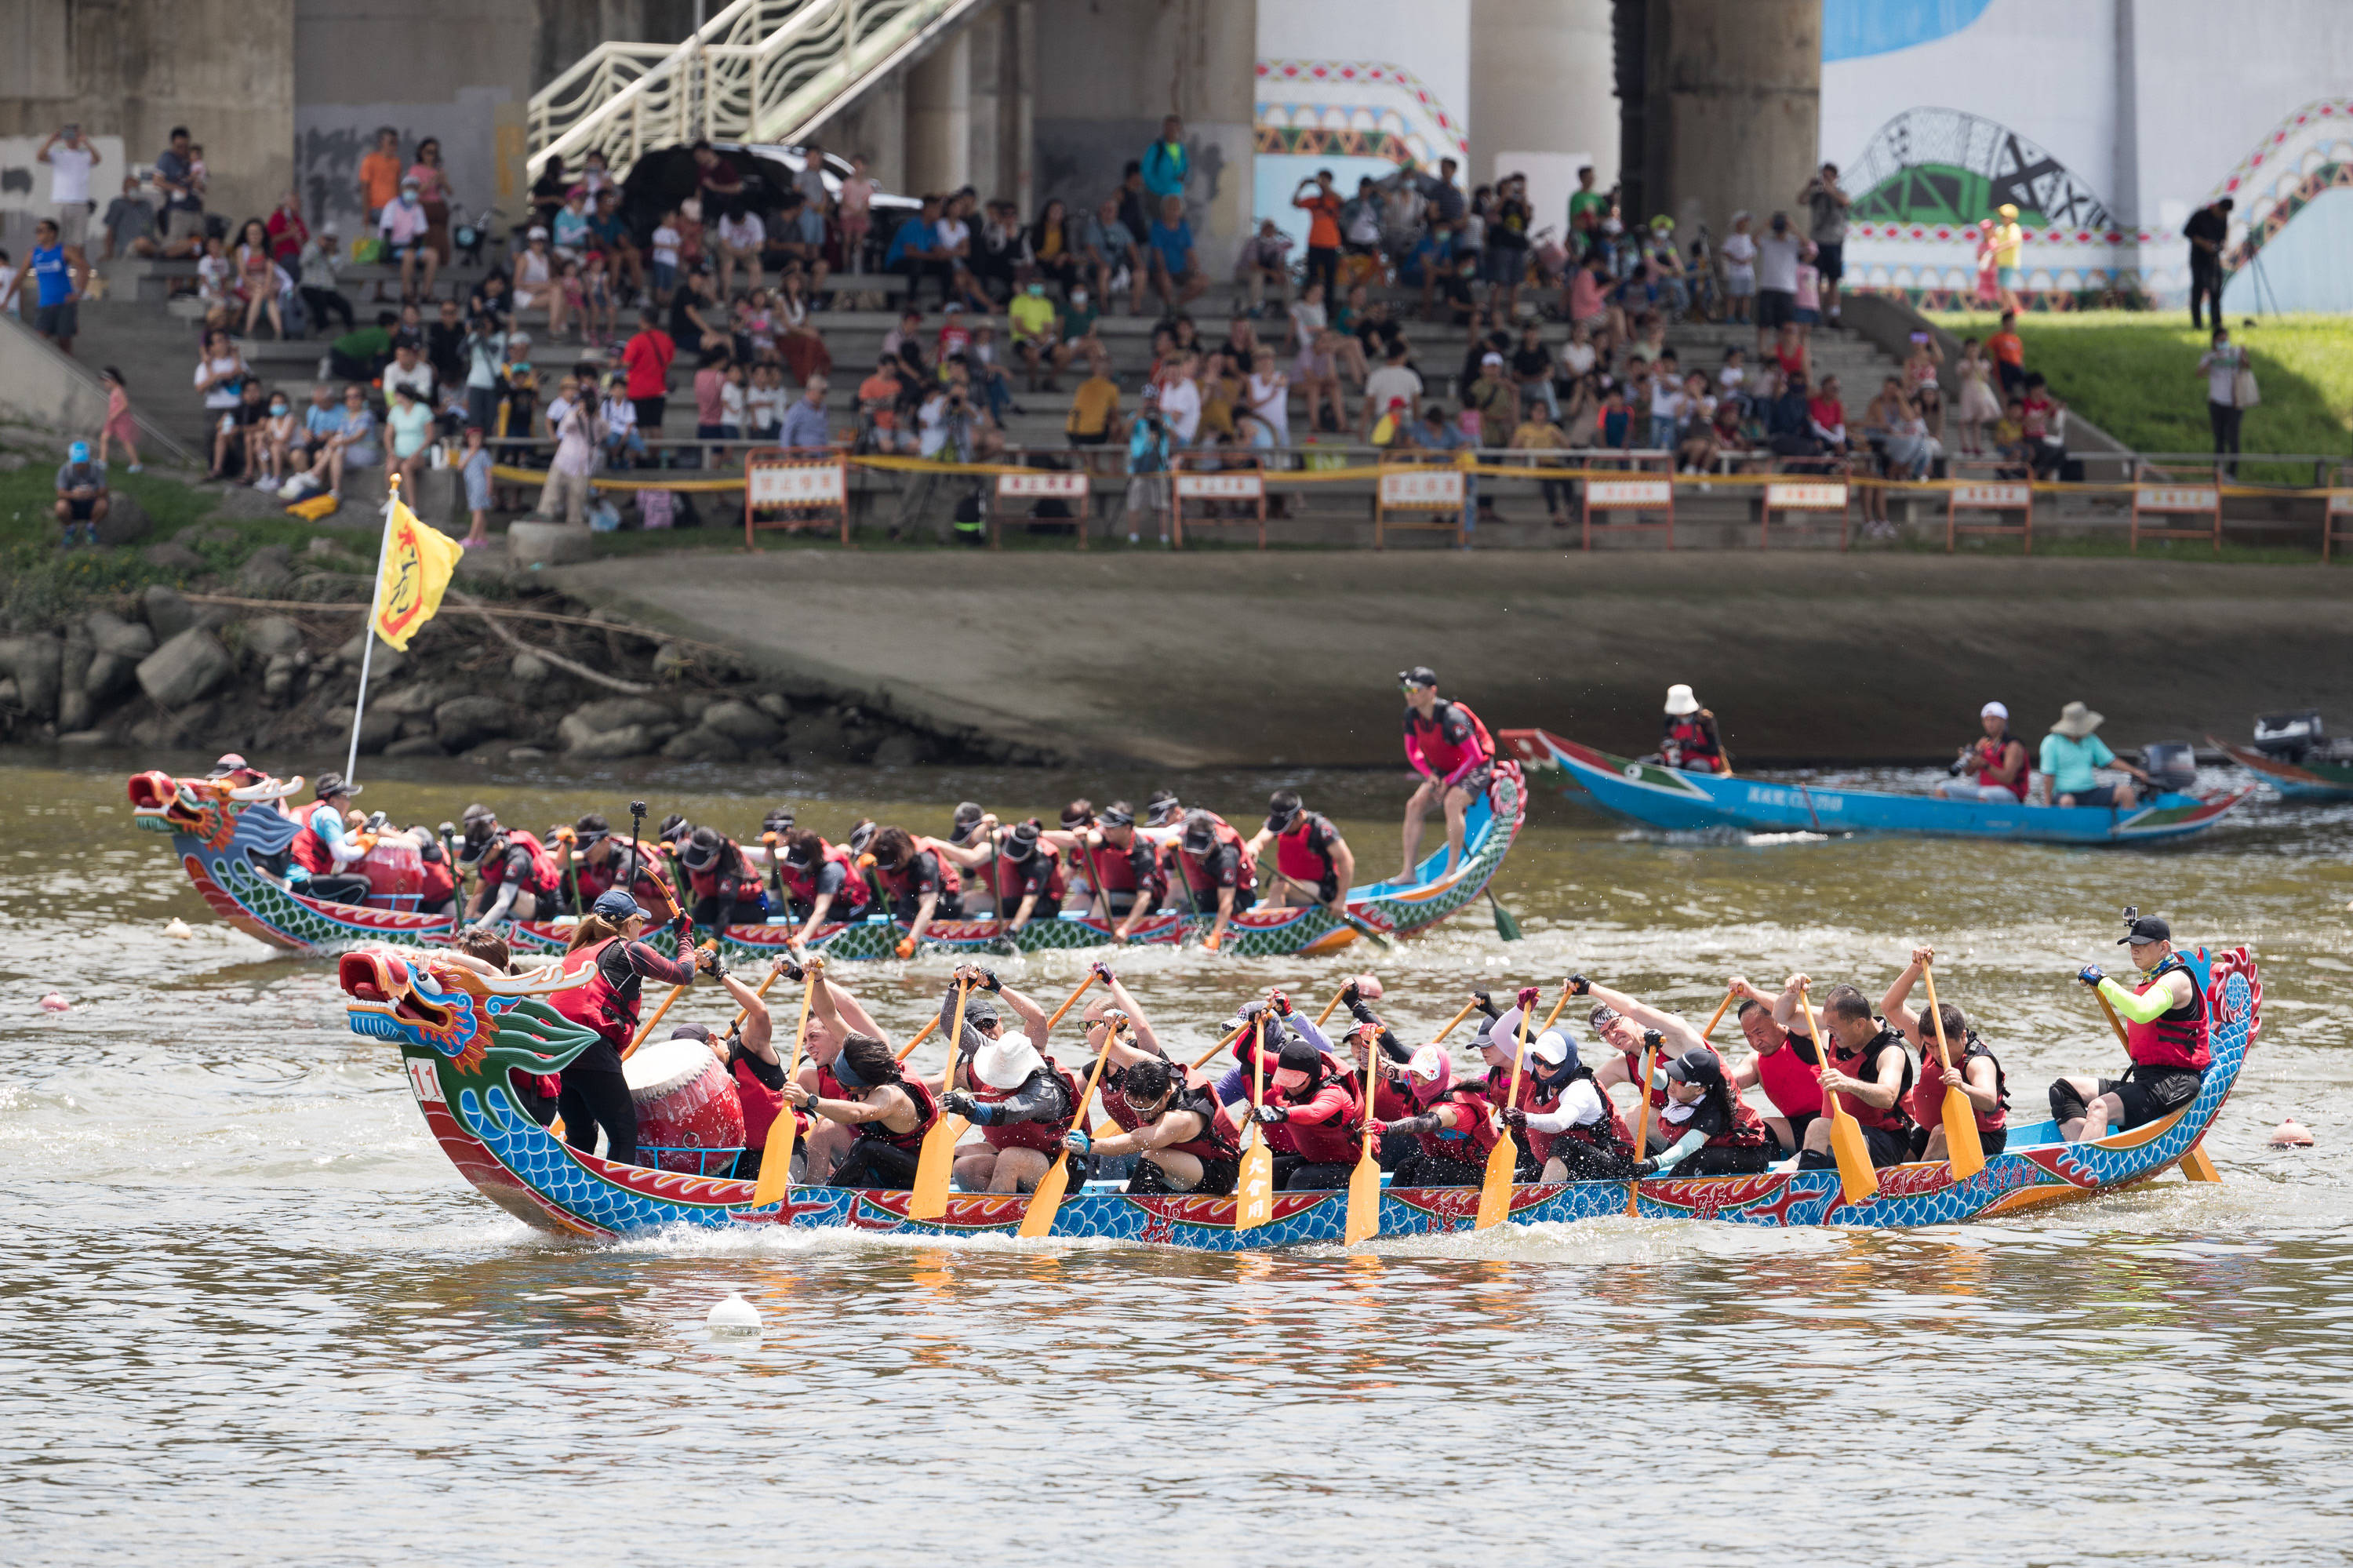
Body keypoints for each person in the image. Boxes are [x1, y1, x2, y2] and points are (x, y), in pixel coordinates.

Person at [550, 890, 707, 1167]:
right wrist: (684, 935)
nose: (641, 929)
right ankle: (611, 1204)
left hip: (556, 1052)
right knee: (623, 1134)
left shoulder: (576, 951)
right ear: (630, 924)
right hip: (592, 1050)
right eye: (640, 923)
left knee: (581, 1134)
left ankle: (573, 1194)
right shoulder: (631, 950)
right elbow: (684, 973)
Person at [2056, 912, 2209, 1142]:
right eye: (2131, 945)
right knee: (2063, 1090)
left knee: (2099, 1108)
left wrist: (2103, 981)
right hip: (2146, 1080)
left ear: (2163, 947)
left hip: (2175, 1082)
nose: (2134, 950)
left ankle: (2081, 1169)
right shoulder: (2150, 979)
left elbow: (2141, 1011)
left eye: (2142, 944)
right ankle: (2078, 1153)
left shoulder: (2177, 980)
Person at [937, 969, 1082, 1195]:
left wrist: (965, 1106)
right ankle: (986, 1208)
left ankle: (993, 1223)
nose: (994, 1081)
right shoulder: (998, 1052)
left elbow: (1006, 1111)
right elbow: (951, 1026)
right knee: (966, 1167)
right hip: (1026, 1158)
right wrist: (958, 988)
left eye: (1000, 1077)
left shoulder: (1044, 1089)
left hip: (1062, 1166)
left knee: (1010, 1158)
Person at [1879, 945, 2009, 1162]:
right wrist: (1915, 968)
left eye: (1942, 1045)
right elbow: (1890, 1006)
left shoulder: (1978, 1062)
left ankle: (1917, 1189)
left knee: (1943, 1133)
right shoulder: (1928, 1040)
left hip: (1984, 1138)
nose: (1936, 1052)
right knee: (1895, 1147)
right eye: (1930, 1046)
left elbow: (1988, 1100)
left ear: (1963, 1036)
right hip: (1932, 1132)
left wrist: (1962, 1086)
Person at [1777, 977, 1917, 1170]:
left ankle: (1811, 1194)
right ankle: (1805, 1190)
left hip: (1884, 1142)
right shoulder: (1838, 1020)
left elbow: (1887, 1096)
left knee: (1818, 1127)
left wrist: (1848, 1083)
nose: (1829, 1032)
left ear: (1859, 1024)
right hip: (1838, 1136)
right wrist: (1790, 994)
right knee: (1782, 1174)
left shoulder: (1890, 1053)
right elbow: (1783, 1016)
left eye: (1834, 1029)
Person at [785, 1031, 943, 1190]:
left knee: (865, 1147)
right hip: (884, 1159)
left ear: (867, 1086)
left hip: (916, 1174)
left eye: (846, 1085)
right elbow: (830, 1015)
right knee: (826, 1127)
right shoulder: (873, 1062)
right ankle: (807, 1192)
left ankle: (826, 1202)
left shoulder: (891, 1096)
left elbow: (858, 1113)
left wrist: (809, 1101)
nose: (839, 1085)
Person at [1081, 1052, 1242, 1195]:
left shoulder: (1179, 1119)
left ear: (1167, 1095)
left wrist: (1090, 1145)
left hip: (1220, 1172)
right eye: (1132, 1105)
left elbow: (1136, 1140)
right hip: (1183, 1163)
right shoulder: (1156, 1067)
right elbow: (1115, 1048)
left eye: (1146, 1108)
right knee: (1125, 1188)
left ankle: (1137, 1218)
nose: (1138, 1113)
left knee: (1153, 1156)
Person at [1396, 666, 1495, 883]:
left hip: (1475, 768)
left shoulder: (1452, 717)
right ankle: (1408, 873)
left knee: (1452, 802)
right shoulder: (1411, 716)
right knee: (1414, 806)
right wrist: (1429, 774)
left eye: (1415, 690)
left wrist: (1449, 782)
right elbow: (1413, 752)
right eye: (1406, 690)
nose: (1409, 696)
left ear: (1432, 691)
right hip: (1443, 771)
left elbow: (1475, 757)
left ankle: (1450, 872)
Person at [1720, 976, 1824, 1153]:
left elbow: (1793, 1014)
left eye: (1759, 1032)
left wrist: (1751, 992)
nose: (1756, 1041)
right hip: (1797, 1130)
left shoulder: (1807, 1036)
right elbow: (1728, 1080)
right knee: (1758, 1130)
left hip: (1832, 1123)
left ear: (1780, 1022)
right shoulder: (1755, 1062)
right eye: (1749, 1036)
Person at [1375, 1043, 1498, 1187]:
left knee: (1431, 1168)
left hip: (1483, 1173)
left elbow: (1425, 1122)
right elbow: (1376, 1064)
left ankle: (1419, 1208)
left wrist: (1386, 1127)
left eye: (1426, 1078)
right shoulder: (1414, 1078)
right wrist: (1367, 1042)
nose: (1420, 1084)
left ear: (1439, 1077)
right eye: (1415, 1076)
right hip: (1448, 1163)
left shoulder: (1453, 1107)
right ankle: (1392, 1207)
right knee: (1405, 1167)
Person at [1242, 789, 1355, 912]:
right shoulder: (1279, 822)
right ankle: (1264, 917)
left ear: (1300, 815)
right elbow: (1258, 842)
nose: (1283, 830)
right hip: (1292, 888)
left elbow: (1346, 860)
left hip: (1322, 890)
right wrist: (1252, 847)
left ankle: (1266, 922)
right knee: (1277, 891)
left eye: (1287, 825)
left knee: (1278, 888)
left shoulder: (1321, 828)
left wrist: (1340, 900)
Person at [868, 824, 965, 957]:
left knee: (907, 902)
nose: (891, 870)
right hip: (911, 899)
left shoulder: (925, 862)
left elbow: (928, 907)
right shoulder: (887, 856)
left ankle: (903, 945)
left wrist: (911, 941)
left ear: (902, 855)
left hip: (946, 902)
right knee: (876, 906)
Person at [459, 804, 563, 926]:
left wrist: (477, 929)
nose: (479, 862)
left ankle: (479, 930)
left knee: (495, 891)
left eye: (481, 857)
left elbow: (504, 902)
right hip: (516, 903)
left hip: (546, 908)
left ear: (494, 847)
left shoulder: (517, 858)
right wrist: (465, 922)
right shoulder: (487, 856)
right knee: (481, 897)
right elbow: (477, 895)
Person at [1169, 808, 1256, 951]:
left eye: (1200, 852)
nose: (1194, 857)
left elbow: (1227, 902)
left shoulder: (1226, 857)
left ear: (1214, 842)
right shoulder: (1186, 839)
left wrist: (1216, 935)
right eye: (1192, 851)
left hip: (1241, 894)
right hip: (1213, 890)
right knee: (1190, 905)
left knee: (1202, 902)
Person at [2040, 700, 2154, 809]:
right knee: (2067, 801)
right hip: (2064, 794)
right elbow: (2048, 776)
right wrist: (2048, 805)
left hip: (2090, 791)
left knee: (2126, 792)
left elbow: (2111, 761)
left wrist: (2135, 771)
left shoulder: (2090, 739)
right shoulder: (2051, 743)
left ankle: (2126, 826)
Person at [287, 773, 376, 904]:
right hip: (303, 884)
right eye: (345, 797)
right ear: (333, 800)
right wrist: (364, 846)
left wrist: (359, 832)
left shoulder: (308, 811)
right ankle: (343, 922)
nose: (348, 802)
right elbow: (340, 854)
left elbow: (331, 842)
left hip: (288, 881)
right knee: (362, 884)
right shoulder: (330, 813)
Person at [15, 218, 87, 355]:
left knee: (65, 343)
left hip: (64, 303)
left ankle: (68, 373)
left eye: (41, 231)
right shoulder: (34, 253)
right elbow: (19, 277)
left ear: (52, 234)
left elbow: (84, 267)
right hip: (45, 304)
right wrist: (6, 299)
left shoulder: (64, 250)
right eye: (37, 231)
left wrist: (79, 292)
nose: (38, 234)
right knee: (39, 342)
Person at [1937, 700, 2031, 802]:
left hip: (2010, 795)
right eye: (1986, 720)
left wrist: (1984, 764)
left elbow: (2008, 779)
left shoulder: (2013, 746)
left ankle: (1979, 817)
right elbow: (1969, 773)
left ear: (2004, 721)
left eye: (1993, 720)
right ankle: (1944, 818)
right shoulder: (1983, 742)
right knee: (1943, 788)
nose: (1989, 723)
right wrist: (1966, 760)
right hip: (1983, 791)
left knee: (1985, 795)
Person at [678, 825, 769, 929]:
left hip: (755, 908)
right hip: (720, 902)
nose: (693, 868)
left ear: (716, 856)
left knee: (706, 911)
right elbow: (680, 851)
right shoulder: (695, 850)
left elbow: (725, 912)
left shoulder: (728, 874)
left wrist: (713, 942)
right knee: (697, 912)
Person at [1798, 163, 1850, 326]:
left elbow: (1845, 201)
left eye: (1828, 176)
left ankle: (1834, 315)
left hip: (1834, 242)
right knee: (1815, 280)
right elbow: (1801, 200)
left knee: (1834, 281)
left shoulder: (1839, 193)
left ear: (1835, 178)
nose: (1824, 180)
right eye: (1823, 176)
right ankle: (1816, 313)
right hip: (1818, 242)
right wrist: (1809, 187)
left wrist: (1829, 189)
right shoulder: (1817, 196)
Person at [2197, 325, 2251, 473]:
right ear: (2214, 341)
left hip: (2234, 403)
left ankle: (2232, 473)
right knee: (2219, 439)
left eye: (2225, 340)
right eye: (2220, 340)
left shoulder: (2234, 353)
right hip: (2216, 403)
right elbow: (2199, 373)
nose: (2223, 343)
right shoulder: (2209, 356)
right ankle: (2218, 473)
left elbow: (2247, 366)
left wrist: (2244, 355)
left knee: (2233, 439)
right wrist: (2211, 361)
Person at [1658, 683, 1729, 773]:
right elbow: (1665, 739)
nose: (1679, 714)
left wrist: (1690, 746)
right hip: (1677, 759)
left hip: (1701, 761)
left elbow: (1714, 750)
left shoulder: (1704, 719)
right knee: (1646, 761)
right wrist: (1668, 745)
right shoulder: (1670, 720)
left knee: (1694, 767)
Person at [2184, 198, 2231, 331]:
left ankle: (2216, 322)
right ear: (2217, 208)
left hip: (2214, 259)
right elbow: (2187, 232)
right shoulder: (2200, 216)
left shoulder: (2223, 218)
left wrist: (2221, 245)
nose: (2223, 216)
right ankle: (2197, 324)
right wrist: (2204, 244)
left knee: (2216, 291)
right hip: (2198, 259)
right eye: (2222, 213)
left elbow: (2223, 237)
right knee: (2198, 290)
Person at [53, 440, 107, 548]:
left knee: (103, 504)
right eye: (77, 462)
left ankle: (91, 527)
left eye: (83, 462)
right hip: (73, 504)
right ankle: (70, 529)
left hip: (91, 502)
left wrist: (92, 493)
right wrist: (74, 495)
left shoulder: (96, 469)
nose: (80, 465)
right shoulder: (65, 470)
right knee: (60, 506)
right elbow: (60, 493)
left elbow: (104, 490)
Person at [1988, 203, 2024, 314]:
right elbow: (1993, 238)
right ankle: (2005, 309)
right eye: (2001, 217)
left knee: (2005, 287)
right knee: (2002, 287)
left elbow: (2012, 242)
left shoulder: (2014, 229)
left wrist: (1998, 249)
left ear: (2011, 218)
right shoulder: (2000, 229)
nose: (2002, 219)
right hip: (2001, 262)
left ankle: (2017, 309)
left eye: (2004, 217)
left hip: (2010, 262)